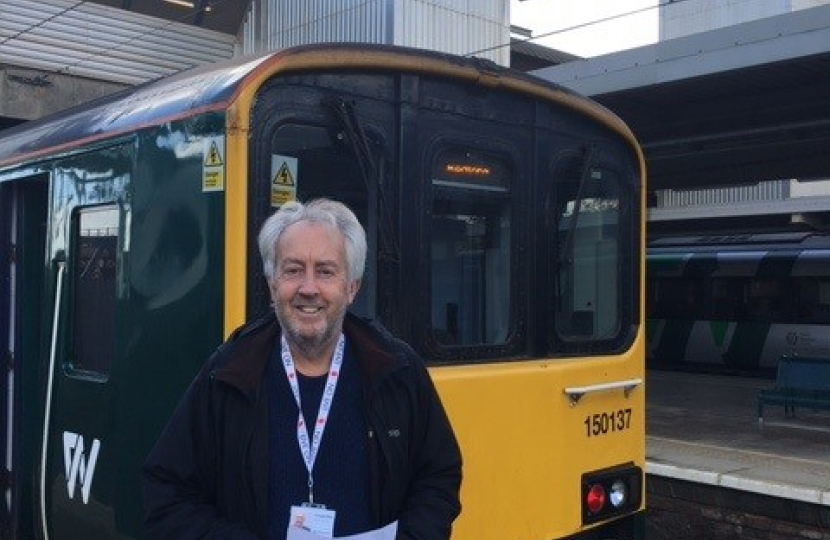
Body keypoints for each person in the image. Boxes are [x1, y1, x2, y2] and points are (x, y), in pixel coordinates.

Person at [142, 198, 462, 540]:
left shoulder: (397, 370)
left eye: (325, 271)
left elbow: (438, 476)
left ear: (351, 288)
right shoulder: (227, 374)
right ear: (272, 285)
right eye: (293, 270)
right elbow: (166, 494)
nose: (308, 288)